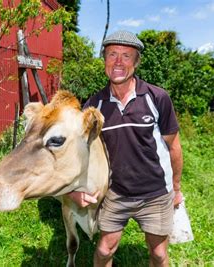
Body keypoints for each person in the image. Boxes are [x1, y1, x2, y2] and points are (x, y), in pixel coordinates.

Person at [68, 30, 183, 267]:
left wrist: (177, 189)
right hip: (115, 193)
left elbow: (174, 147)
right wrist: (72, 191)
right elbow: (76, 154)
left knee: (159, 254)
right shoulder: (93, 105)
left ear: (136, 62)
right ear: (104, 60)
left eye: (126, 56)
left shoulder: (157, 97)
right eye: (112, 54)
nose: (118, 62)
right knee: (103, 251)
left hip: (156, 194)